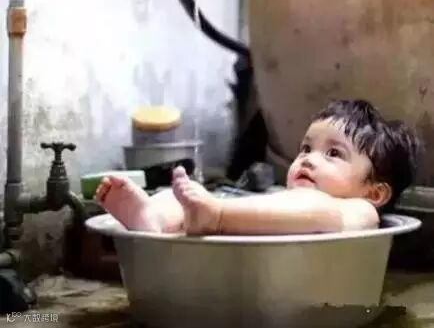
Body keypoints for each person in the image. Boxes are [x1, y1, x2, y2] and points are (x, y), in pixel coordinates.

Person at [95, 99, 421, 235]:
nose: (308, 158)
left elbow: (324, 215)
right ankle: (151, 219)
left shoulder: (362, 210)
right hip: (231, 253)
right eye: (305, 148)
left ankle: (210, 217)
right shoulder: (287, 197)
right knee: (175, 196)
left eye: (333, 154)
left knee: (313, 203)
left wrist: (219, 215)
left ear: (374, 192)